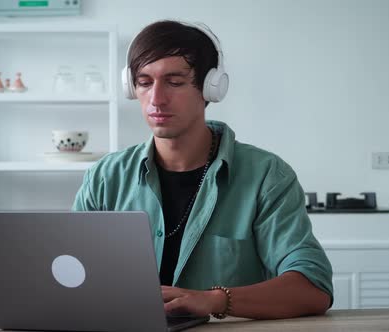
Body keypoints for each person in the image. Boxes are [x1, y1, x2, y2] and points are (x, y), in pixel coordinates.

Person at [72, 20, 333, 320]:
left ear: (211, 87)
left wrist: (215, 300)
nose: (156, 99)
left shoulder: (267, 176)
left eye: (174, 81)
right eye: (144, 82)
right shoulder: (106, 177)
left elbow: (313, 287)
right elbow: (74, 275)